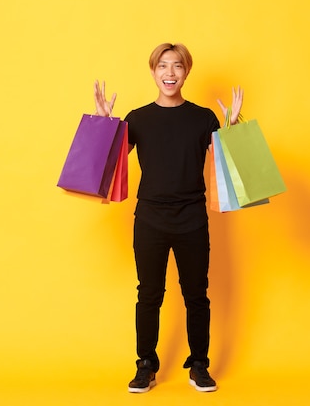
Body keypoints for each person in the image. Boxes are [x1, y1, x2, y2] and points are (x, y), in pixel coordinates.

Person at [93, 43, 243, 393]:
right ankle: (145, 364)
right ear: (153, 72)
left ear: (186, 72)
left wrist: (233, 129)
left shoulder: (203, 117)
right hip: (150, 219)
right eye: (163, 66)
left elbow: (229, 166)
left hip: (192, 218)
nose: (170, 73)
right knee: (149, 294)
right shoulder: (138, 118)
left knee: (196, 294)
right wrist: (103, 125)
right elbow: (109, 163)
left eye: (177, 66)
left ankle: (199, 365)